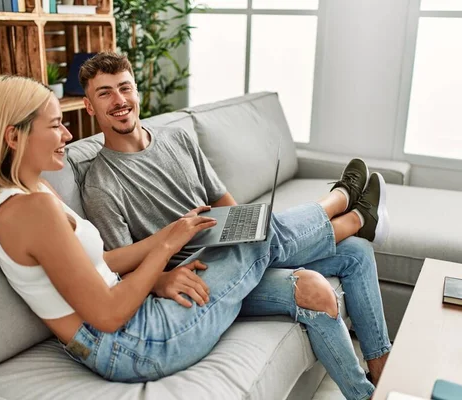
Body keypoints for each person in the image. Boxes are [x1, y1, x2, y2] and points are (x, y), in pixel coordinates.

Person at [0, 77, 384, 400]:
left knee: (330, 249)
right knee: (251, 233)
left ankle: (346, 226)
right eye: (56, 126)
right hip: (132, 342)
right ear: (14, 136)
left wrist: (170, 233)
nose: (68, 136)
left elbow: (100, 264)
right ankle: (343, 210)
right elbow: (108, 315)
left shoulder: (33, 190)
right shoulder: (27, 210)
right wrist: (164, 251)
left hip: (134, 321)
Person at [79, 52, 391, 398]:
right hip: (200, 276)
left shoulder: (176, 139)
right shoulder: (100, 183)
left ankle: (383, 372)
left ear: (137, 92)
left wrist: (249, 226)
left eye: (124, 88)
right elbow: (119, 268)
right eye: (105, 93)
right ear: (89, 106)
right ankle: (344, 206)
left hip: (233, 244)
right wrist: (162, 280)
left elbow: (223, 201)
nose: (119, 100)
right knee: (305, 279)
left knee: (356, 251)